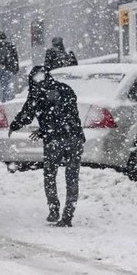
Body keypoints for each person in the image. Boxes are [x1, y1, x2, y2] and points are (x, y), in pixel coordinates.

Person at [8, 66, 85, 227]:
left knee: (50, 174)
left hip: (54, 140)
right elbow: (69, 115)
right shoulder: (65, 89)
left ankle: (53, 209)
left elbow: (27, 115)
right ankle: (68, 214)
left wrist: (15, 125)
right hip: (74, 137)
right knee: (72, 177)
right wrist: (47, 129)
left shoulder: (37, 93)